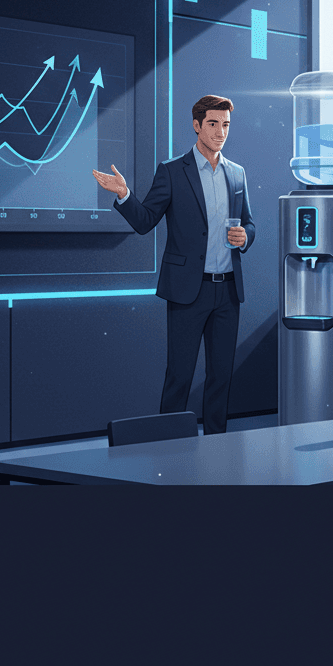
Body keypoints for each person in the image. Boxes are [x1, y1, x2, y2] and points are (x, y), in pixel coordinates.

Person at [92, 95, 254, 435]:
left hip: (227, 291)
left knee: (221, 376)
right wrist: (124, 194)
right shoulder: (171, 171)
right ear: (197, 126)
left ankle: (216, 447)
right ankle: (166, 448)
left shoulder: (237, 174)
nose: (220, 132)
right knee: (179, 375)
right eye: (213, 124)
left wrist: (245, 236)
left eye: (225, 125)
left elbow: (249, 224)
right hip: (187, 292)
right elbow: (145, 220)